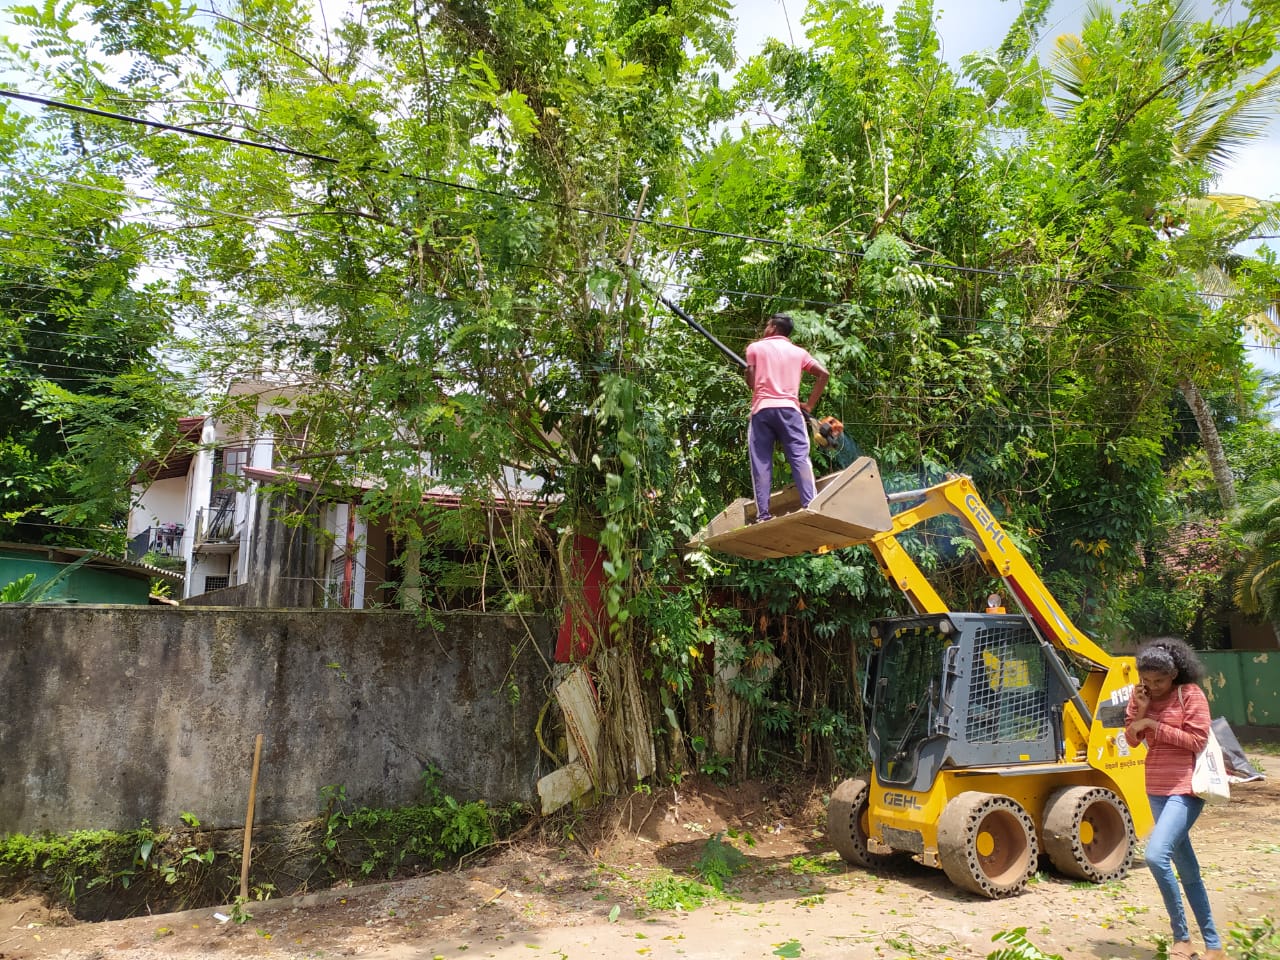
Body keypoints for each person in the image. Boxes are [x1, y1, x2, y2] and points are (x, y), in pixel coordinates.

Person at [1125, 637, 1224, 960]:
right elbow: (1133, 740)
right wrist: (1140, 711)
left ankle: (1181, 938)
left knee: (1155, 855)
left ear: (1175, 675)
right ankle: (1214, 946)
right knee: (1187, 868)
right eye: (1147, 680)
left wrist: (1153, 723)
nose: (1153, 686)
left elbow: (1197, 741)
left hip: (1187, 789)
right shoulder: (1139, 696)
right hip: (1155, 787)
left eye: (1160, 681)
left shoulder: (1190, 695)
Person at [744, 313, 829, 523]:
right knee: (800, 457)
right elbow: (823, 374)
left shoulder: (754, 348)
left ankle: (763, 514)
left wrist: (749, 370)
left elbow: (752, 384)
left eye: (766, 325)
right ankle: (810, 504)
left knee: (761, 463)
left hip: (762, 410)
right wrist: (808, 405)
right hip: (790, 410)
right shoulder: (799, 353)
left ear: (772, 327)